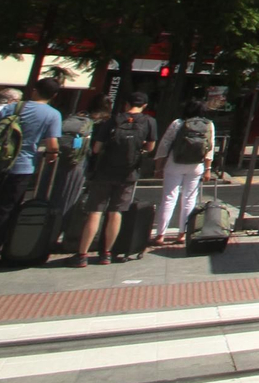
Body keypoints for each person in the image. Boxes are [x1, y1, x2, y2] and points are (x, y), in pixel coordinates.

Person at [0, 79, 62, 269]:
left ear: (34, 91)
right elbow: (52, 145)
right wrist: (51, 157)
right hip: (22, 168)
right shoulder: (53, 115)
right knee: (5, 211)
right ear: (54, 96)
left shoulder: (15, 107)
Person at [73, 92, 157, 267]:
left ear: (126, 104)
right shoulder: (149, 122)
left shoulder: (113, 120)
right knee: (116, 212)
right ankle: (107, 253)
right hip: (128, 172)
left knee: (95, 211)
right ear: (144, 106)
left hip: (104, 171)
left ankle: (82, 254)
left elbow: (96, 148)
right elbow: (150, 147)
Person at [152, 100, 214, 246]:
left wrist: (158, 167)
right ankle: (182, 234)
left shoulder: (178, 123)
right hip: (196, 166)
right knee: (189, 200)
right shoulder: (209, 125)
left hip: (175, 163)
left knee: (168, 199)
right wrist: (208, 169)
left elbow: (164, 145)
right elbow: (210, 148)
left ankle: (160, 235)